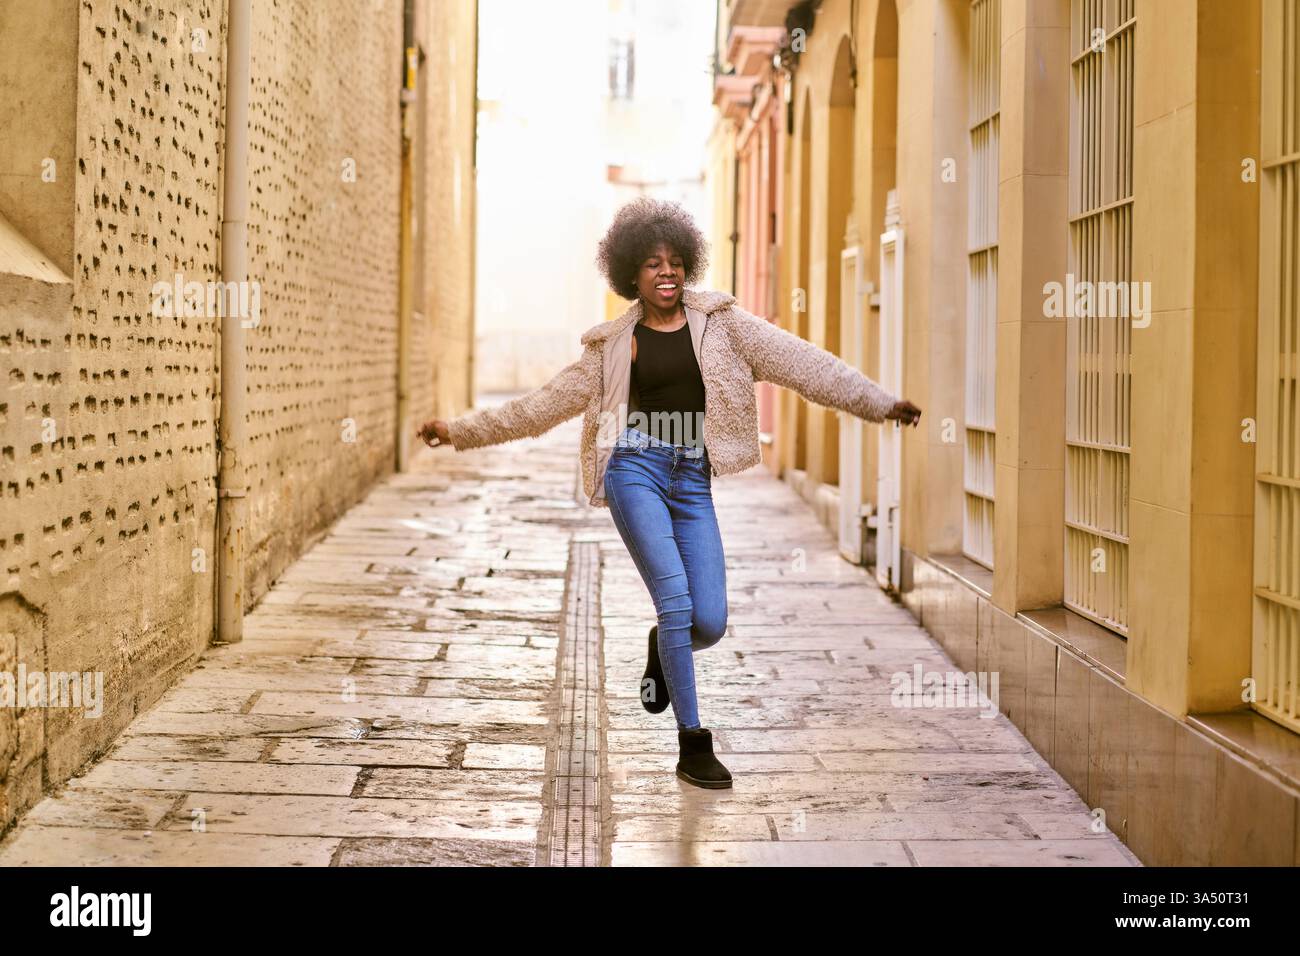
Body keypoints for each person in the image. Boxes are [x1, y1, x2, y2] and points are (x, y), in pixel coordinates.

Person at [419, 197, 921, 789]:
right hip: (635, 470)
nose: (667, 272)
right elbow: (539, 409)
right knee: (677, 601)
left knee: (707, 620)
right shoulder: (610, 347)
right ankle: (693, 744)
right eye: (653, 263)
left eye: (677, 261)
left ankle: (665, 645)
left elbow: (805, 364)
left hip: (692, 479)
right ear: (630, 273)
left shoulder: (725, 325)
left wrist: (880, 403)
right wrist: (459, 432)